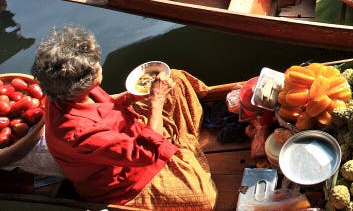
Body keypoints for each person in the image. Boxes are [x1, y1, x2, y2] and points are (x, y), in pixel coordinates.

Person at [31, 26, 217, 209]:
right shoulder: (77, 133)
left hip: (126, 131)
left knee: (175, 79)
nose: (99, 65)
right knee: (204, 199)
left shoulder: (62, 91)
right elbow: (147, 153)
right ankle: (175, 148)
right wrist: (156, 101)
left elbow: (104, 106)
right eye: (96, 66)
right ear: (81, 84)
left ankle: (171, 143)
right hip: (124, 180)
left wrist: (129, 97)